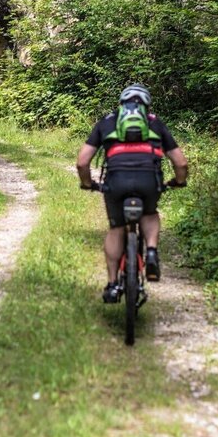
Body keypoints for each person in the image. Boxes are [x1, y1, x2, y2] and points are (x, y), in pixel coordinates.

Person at [76, 84, 189, 303]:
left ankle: (111, 285)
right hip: (149, 180)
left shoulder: (107, 122)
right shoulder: (155, 122)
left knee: (116, 228)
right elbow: (180, 163)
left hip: (116, 182)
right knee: (150, 213)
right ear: (146, 104)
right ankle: (152, 252)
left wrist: (88, 183)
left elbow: (82, 162)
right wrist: (178, 181)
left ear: (121, 103)